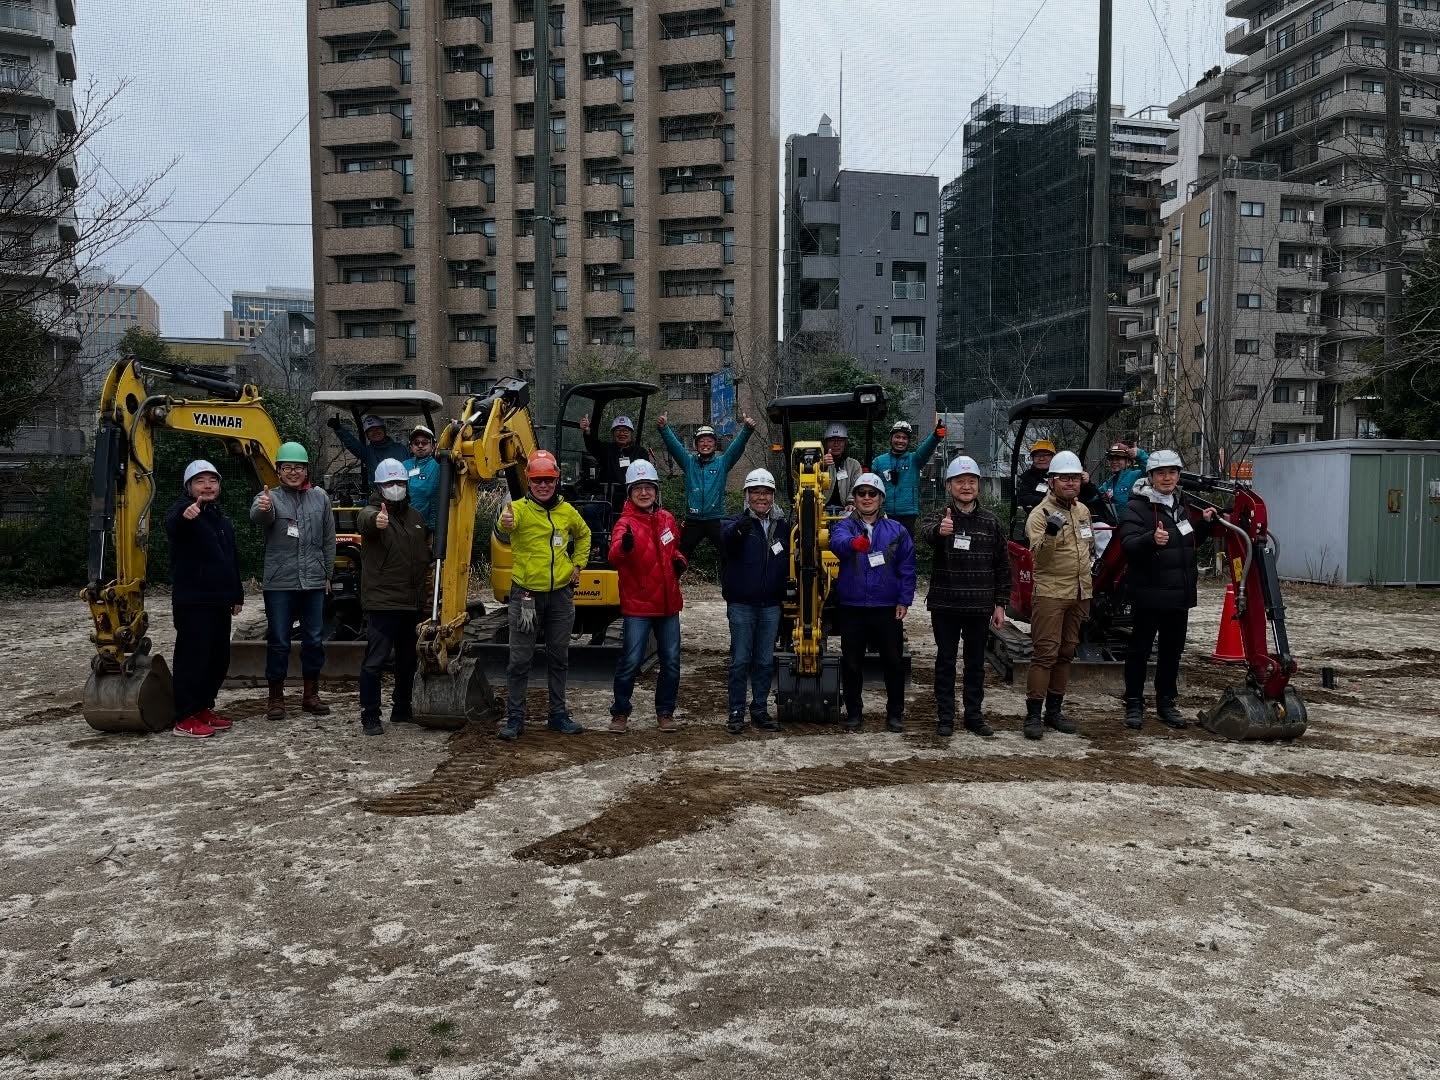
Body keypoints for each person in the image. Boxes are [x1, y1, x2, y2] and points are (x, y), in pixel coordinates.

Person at [1116, 450, 1218, 731]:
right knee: (1139, 651)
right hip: (1148, 594)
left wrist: (1204, 526)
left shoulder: (1180, 505)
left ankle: (1166, 703)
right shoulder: (1136, 508)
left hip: (1178, 595)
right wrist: (1150, 539)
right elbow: (1128, 544)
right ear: (1150, 476)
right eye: (1161, 473)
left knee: (1172, 652)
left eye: (1172, 472)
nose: (1167, 478)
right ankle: (1134, 703)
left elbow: (1187, 542)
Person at [496, 449, 590, 741]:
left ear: (556, 480)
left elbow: (584, 534)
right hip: (526, 596)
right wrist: (504, 522)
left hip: (560, 597)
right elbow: (504, 525)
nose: (543, 485)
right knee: (519, 660)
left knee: (558, 657)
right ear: (529, 481)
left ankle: (558, 715)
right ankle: (515, 718)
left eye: (548, 479)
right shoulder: (518, 510)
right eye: (538, 480)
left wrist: (578, 565)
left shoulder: (567, 511)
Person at [923, 455, 1010, 738]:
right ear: (949, 485)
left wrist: (1000, 604)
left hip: (979, 605)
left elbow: (1002, 564)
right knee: (945, 662)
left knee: (975, 664)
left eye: (971, 481)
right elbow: (925, 534)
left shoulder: (991, 522)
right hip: (946, 604)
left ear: (978, 486)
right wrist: (940, 532)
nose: (966, 486)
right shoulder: (940, 516)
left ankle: (974, 716)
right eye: (960, 481)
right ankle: (945, 717)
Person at [250, 442, 336, 721]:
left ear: (306, 470)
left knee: (313, 640)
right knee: (279, 640)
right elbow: (259, 515)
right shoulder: (269, 498)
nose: (293, 472)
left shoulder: (320, 498)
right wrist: (263, 507)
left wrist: (327, 575)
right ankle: (276, 698)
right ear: (278, 471)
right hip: (280, 583)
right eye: (287, 467)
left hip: (313, 583)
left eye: (298, 467)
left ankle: (311, 695)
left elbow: (328, 540)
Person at [828, 473, 916, 733]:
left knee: (893, 663)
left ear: (881, 498)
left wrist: (904, 600)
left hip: (885, 607)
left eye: (872, 493)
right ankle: (854, 714)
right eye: (861, 493)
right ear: (854, 498)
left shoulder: (897, 531)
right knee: (852, 663)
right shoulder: (845, 527)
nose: (867, 498)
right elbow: (837, 543)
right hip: (853, 607)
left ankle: (895, 714)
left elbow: (907, 567)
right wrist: (853, 544)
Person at [164, 459, 244, 739]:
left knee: (217, 658)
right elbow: (173, 525)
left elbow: (231, 559)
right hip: (193, 600)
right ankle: (185, 716)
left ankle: (202, 707)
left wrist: (236, 593)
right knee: (193, 658)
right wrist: (184, 515)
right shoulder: (184, 512)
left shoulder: (220, 519)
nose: (207, 486)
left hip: (219, 600)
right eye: (200, 481)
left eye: (213, 480)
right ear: (189, 487)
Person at [606, 460, 685, 734]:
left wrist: (680, 561)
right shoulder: (624, 523)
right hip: (638, 605)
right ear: (629, 492)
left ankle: (665, 712)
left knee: (671, 661)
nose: (643, 492)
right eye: (638, 488)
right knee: (630, 661)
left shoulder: (667, 519)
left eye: (648, 487)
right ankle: (620, 713)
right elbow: (614, 555)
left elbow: (673, 549)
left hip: (667, 604)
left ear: (655, 490)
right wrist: (624, 548)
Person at [1023, 450, 1095, 740]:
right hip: (1051, 593)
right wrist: (1051, 533)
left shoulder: (1083, 511)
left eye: (1074, 478)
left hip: (1079, 591)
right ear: (1051, 481)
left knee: (1066, 652)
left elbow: (1088, 545)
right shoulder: (1039, 515)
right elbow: (1039, 559)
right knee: (1045, 654)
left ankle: (1054, 712)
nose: (1070, 483)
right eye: (1064, 478)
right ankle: (1033, 715)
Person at [357, 459, 431, 736]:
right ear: (379, 486)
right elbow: (365, 521)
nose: (396, 487)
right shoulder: (372, 513)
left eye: (400, 482)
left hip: (411, 602)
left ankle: (402, 707)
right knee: (375, 661)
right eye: (390, 483)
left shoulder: (416, 518)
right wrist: (376, 521)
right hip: (383, 602)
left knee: (408, 660)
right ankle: (370, 714)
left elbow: (422, 555)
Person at [720, 468, 790, 734]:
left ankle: (760, 709)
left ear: (773, 495)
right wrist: (738, 530)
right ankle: (736, 711)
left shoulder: (783, 527)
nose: (761, 497)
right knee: (740, 660)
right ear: (747, 495)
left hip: (770, 604)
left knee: (764, 661)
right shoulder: (734, 522)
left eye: (766, 492)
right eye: (756, 492)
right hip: (742, 604)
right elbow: (725, 541)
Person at [657, 412, 756, 561]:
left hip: (716, 519)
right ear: (696, 445)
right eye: (701, 441)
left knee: (729, 556)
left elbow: (736, 447)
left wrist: (747, 429)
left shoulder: (722, 463)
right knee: (678, 558)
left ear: (715, 445)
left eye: (709, 441)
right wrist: (664, 428)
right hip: (693, 520)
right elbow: (675, 447)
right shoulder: (689, 463)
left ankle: (731, 577)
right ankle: (672, 577)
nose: (705, 444)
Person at [870, 416, 944, 537]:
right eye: (897, 437)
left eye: (904, 438)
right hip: (884, 514)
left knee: (905, 546)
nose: (900, 441)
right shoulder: (879, 461)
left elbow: (926, 449)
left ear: (908, 441)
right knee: (884, 545)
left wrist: (935, 436)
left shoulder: (915, 459)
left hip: (908, 515)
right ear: (891, 438)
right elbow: (869, 486)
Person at [579, 413, 652, 511]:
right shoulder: (606, 449)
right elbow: (592, 445)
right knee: (590, 510)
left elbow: (646, 475)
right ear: (613, 433)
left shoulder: (640, 452)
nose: (622, 434)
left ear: (631, 433)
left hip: (632, 496)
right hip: (607, 495)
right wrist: (587, 431)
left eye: (625, 431)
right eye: (618, 430)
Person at [329, 413, 407, 482]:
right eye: (370, 431)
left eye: (377, 428)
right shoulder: (367, 452)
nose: (375, 432)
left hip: (402, 489)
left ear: (384, 430)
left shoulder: (401, 449)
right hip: (378, 492)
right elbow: (351, 443)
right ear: (367, 436)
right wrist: (338, 429)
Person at [403, 425, 442, 534]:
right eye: (416, 443)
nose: (420, 446)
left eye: (424, 442)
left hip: (428, 526)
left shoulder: (439, 466)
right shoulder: (404, 465)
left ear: (433, 446)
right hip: (405, 523)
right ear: (411, 446)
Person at [821, 422, 864, 510]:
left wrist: (851, 502)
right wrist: (821, 466)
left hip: (846, 509)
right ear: (826, 443)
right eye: (832, 440)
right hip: (820, 509)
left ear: (845, 443)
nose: (836, 444)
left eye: (840, 440)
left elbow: (857, 486)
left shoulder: (854, 465)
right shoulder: (816, 463)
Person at [1097, 441, 1149, 513]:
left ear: (1128, 462)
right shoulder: (1109, 482)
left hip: (1132, 518)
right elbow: (1094, 496)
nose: (1114, 462)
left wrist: (1139, 454)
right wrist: (1087, 485)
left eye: (1118, 459)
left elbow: (1150, 470)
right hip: (1113, 519)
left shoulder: (1136, 476)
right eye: (1111, 459)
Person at [1015, 439, 1057, 514]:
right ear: (1033, 458)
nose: (1041, 459)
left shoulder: (1061, 475)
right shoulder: (1026, 477)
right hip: (1035, 516)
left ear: (1053, 457)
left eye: (1045, 455)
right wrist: (1049, 501)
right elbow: (1023, 498)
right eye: (1037, 455)